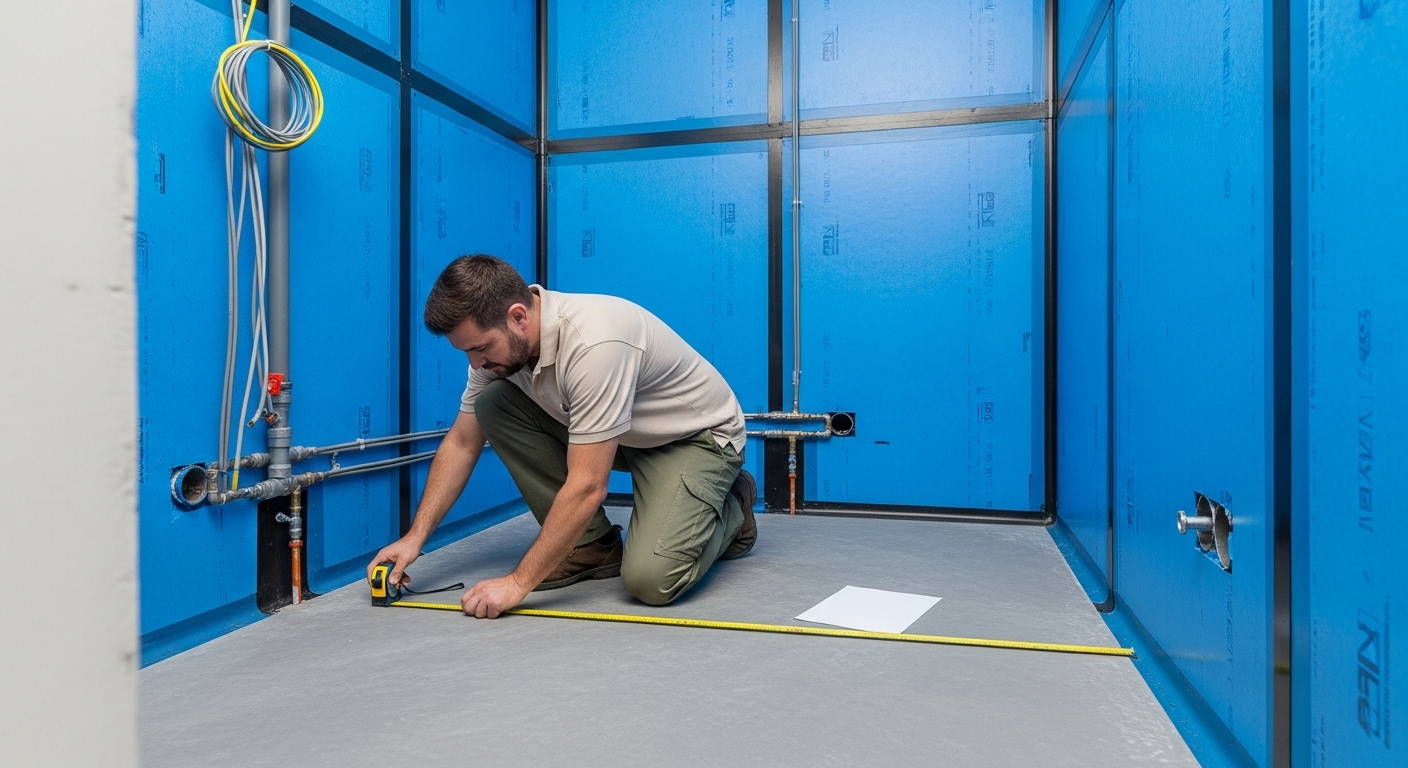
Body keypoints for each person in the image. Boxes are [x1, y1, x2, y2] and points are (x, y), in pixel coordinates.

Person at [367, 254, 756, 618]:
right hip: (625, 435)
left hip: (693, 440)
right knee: (493, 403)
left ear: (518, 316)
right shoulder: (498, 354)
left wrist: (517, 584)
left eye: (481, 348)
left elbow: (588, 486)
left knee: (651, 581)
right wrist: (414, 538)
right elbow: (462, 443)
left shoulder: (595, 344)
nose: (475, 362)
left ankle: (734, 504)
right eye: (467, 352)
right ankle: (590, 546)